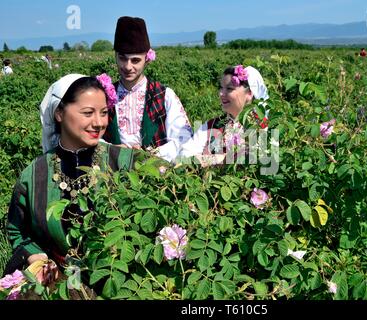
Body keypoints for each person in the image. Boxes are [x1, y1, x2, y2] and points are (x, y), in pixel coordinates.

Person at [3, 73, 136, 280]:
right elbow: (17, 230)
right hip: (59, 283)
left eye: (103, 113)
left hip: (120, 280)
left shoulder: (126, 162)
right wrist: (36, 257)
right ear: (59, 114)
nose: (99, 122)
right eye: (88, 113)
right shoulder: (35, 174)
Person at [102, 16, 193, 162]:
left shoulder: (164, 95)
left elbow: (184, 138)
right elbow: (88, 136)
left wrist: (150, 153)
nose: (127, 66)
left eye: (135, 60)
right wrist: (114, 150)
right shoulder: (103, 95)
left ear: (147, 59)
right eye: (122, 58)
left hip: (155, 175)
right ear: (115, 56)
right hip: (111, 175)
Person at [179, 65, 269, 165]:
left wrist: (215, 159)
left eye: (229, 88)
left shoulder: (261, 125)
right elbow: (185, 154)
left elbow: (258, 158)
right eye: (221, 88)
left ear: (249, 93)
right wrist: (216, 159)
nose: (221, 93)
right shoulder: (212, 125)